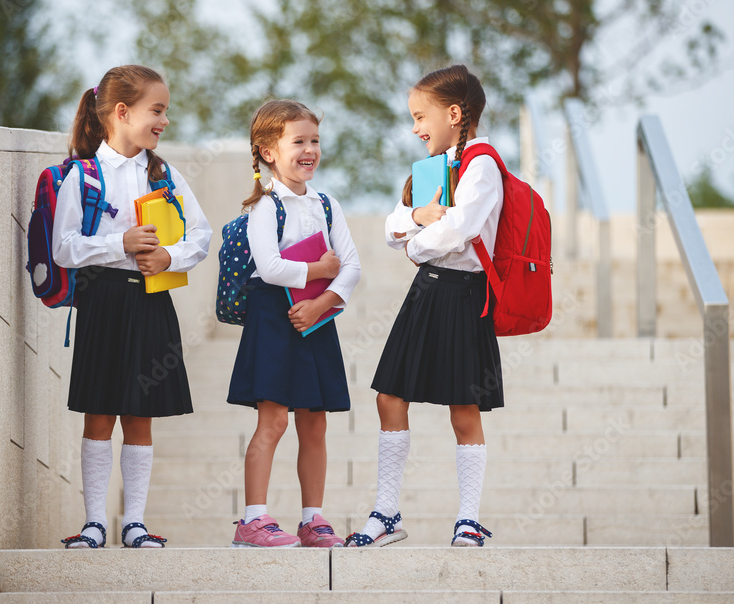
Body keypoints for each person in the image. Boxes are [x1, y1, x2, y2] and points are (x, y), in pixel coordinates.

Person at [54, 65, 211, 549]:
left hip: (151, 302)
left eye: (165, 111)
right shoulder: (83, 175)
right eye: (157, 110)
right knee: (99, 413)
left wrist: (170, 255)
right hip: (103, 302)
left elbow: (201, 236)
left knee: (139, 414)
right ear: (122, 113)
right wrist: (118, 243)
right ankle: (94, 522)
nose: (164, 121)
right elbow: (63, 248)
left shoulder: (163, 172)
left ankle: (135, 522)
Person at [346, 65, 503, 548]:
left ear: (454, 114)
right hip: (427, 293)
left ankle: (469, 519)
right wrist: (415, 217)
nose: (415, 128)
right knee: (389, 395)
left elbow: (460, 230)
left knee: (464, 407)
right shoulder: (431, 169)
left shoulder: (482, 165)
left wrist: (417, 244)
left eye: (421, 116)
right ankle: (387, 512)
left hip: (464, 294)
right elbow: (393, 227)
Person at [227, 100, 361, 547]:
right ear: (267, 151)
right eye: (298, 142)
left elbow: (353, 266)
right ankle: (253, 519)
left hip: (315, 319)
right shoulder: (266, 205)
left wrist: (323, 301)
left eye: (315, 141)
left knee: (315, 422)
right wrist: (322, 272)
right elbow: (268, 267)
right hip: (273, 319)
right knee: (274, 420)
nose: (309, 150)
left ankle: (312, 519)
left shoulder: (327, 203)